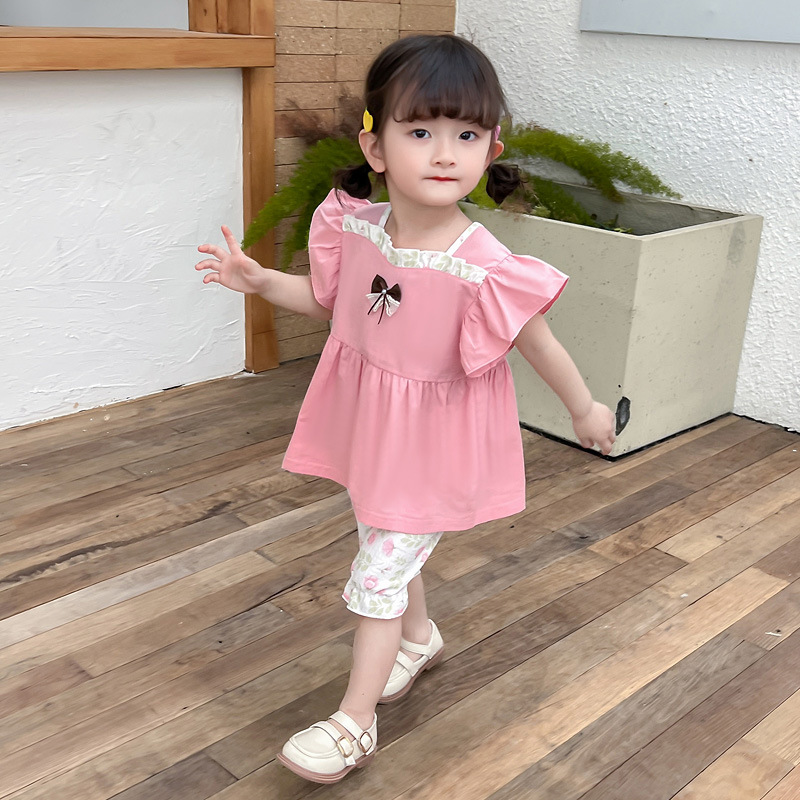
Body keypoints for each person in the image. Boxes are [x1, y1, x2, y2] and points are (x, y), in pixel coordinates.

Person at [195, 33, 616, 784]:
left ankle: (355, 720)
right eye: (420, 132)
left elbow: (540, 344)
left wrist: (584, 408)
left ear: (491, 148)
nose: (445, 153)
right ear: (376, 147)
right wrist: (259, 283)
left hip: (433, 445)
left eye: (466, 135)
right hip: (372, 429)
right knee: (383, 538)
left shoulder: (485, 266)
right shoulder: (357, 227)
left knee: (379, 572)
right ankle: (418, 639)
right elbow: (331, 306)